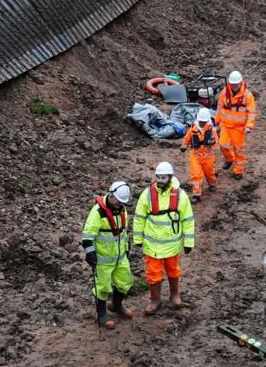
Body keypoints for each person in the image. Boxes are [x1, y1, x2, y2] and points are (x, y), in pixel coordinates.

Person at [133, 161, 195, 314]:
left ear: (170, 177)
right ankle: (155, 300)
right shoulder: (147, 194)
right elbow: (139, 218)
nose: (160, 181)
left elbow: (187, 220)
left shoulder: (180, 195)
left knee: (173, 271)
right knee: (153, 274)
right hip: (152, 245)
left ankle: (175, 296)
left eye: (163, 178)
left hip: (171, 245)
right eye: (158, 178)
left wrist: (188, 242)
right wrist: (138, 239)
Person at [81, 180, 135, 329]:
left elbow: (123, 232)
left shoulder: (122, 209)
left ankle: (116, 305)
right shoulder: (98, 212)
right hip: (103, 259)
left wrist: (127, 247)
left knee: (125, 282)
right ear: (111, 195)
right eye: (117, 201)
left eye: (121, 202)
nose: (119, 204)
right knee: (103, 287)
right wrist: (90, 253)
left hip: (120, 256)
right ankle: (101, 313)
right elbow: (87, 236)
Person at [216, 70, 257, 179]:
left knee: (238, 150)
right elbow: (220, 108)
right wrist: (217, 121)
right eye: (232, 84)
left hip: (239, 128)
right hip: (225, 125)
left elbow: (252, 112)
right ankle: (229, 160)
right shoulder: (225, 93)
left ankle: (238, 170)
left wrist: (249, 126)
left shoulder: (247, 95)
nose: (234, 86)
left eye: (236, 84)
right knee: (222, 144)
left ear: (240, 82)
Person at [181, 107, 218, 202]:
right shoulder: (193, 128)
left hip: (208, 156)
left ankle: (212, 184)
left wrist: (212, 141)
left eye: (204, 121)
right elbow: (187, 138)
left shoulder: (211, 129)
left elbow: (216, 140)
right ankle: (196, 194)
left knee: (209, 172)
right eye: (201, 121)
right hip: (195, 155)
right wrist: (184, 145)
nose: (202, 123)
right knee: (196, 174)